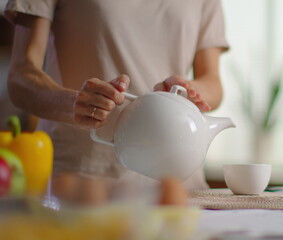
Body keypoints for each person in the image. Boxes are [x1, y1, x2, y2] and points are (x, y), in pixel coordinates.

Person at [4, 0, 229, 197]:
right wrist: (72, 103)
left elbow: (212, 82)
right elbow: (21, 74)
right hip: (80, 184)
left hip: (177, 186)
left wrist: (189, 90)